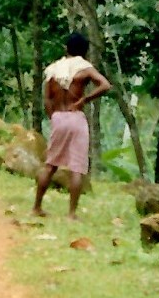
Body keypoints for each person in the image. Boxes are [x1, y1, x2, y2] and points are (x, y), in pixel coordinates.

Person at [32, 32, 111, 219]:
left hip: (59, 117)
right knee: (77, 168)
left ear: (66, 48)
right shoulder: (84, 68)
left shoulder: (53, 70)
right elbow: (105, 85)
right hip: (75, 117)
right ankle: (72, 214)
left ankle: (36, 207)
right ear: (84, 52)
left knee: (51, 164)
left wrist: (54, 117)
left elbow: (47, 99)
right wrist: (85, 99)